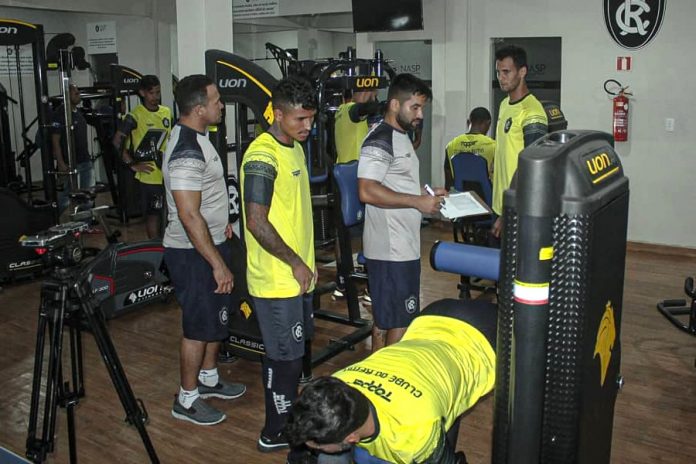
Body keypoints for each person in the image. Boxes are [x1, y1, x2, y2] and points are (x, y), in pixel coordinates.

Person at [284, 298, 497, 464]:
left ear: (352, 438)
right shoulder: (338, 384)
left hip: (483, 330)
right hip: (431, 318)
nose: (312, 448)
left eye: (316, 446)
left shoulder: (413, 432)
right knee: (329, 457)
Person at [162, 74, 246, 426]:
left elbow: (205, 201)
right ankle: (187, 398)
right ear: (198, 109)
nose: (221, 106)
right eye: (216, 102)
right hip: (192, 254)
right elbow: (187, 213)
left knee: (215, 316)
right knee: (197, 326)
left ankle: (209, 379)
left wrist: (222, 223)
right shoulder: (185, 150)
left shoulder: (200, 137)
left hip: (212, 242)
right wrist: (216, 263)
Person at [240, 76, 317, 453]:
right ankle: (273, 431)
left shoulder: (295, 148)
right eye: (300, 119)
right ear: (278, 113)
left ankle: (287, 421)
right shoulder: (261, 156)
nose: (308, 127)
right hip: (276, 278)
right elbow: (256, 221)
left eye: (311, 119)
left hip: (297, 278)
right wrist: (294, 262)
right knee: (285, 360)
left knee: (294, 357)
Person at [357, 73, 443, 351]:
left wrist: (425, 195)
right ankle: (387, 381)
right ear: (395, 104)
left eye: (422, 108)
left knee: (386, 319)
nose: (420, 115)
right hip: (391, 250)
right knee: (400, 322)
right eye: (414, 107)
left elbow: (395, 182)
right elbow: (367, 190)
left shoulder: (400, 135)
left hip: (401, 245)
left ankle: (374, 377)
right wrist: (417, 202)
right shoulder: (380, 138)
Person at [491, 45, 548, 238]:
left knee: (516, 268)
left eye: (506, 72)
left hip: (518, 208)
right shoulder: (504, 104)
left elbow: (532, 169)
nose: (501, 77)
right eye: (498, 72)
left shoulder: (532, 112)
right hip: (500, 204)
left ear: (522, 72)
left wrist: (509, 211)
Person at [113, 75, 172, 238]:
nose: (155, 97)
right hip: (148, 176)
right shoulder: (135, 116)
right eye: (151, 93)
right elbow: (117, 141)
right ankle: (155, 250)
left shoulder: (166, 112)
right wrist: (132, 165)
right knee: (153, 216)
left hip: (167, 173)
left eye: (158, 92)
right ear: (142, 93)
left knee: (169, 215)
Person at [51, 83, 94, 211]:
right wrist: (61, 163)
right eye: (76, 93)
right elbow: (55, 141)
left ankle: (84, 224)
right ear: (67, 95)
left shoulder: (78, 112)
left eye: (78, 93)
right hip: (70, 163)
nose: (79, 95)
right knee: (65, 198)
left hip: (85, 160)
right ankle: (53, 221)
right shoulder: (60, 114)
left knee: (86, 195)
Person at [444, 107, 496, 190]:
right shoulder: (493, 146)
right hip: (487, 199)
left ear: (468, 122)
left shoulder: (451, 145)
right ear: (488, 123)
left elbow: (448, 182)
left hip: (462, 198)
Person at [334, 88, 379, 164]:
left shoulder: (340, 110)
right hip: (356, 167)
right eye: (366, 92)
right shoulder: (351, 108)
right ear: (353, 94)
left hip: (346, 165)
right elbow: (368, 107)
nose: (369, 95)